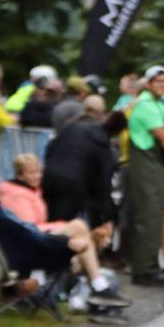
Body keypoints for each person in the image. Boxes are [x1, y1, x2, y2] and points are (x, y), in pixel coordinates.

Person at [0, 159, 130, 309]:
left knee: (81, 249)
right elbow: (28, 229)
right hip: (27, 246)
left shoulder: (31, 190)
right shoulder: (15, 194)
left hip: (36, 240)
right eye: (31, 173)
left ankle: (95, 294)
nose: (37, 176)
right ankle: (99, 288)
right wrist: (62, 226)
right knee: (78, 227)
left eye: (39, 172)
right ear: (19, 174)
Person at [126, 65, 164, 286]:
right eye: (158, 81)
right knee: (148, 217)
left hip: (155, 165)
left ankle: (148, 267)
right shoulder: (147, 106)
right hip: (146, 165)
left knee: (153, 215)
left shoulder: (158, 105)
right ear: (148, 83)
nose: (163, 85)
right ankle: (144, 271)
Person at [43, 97, 118, 228]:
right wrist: (108, 212)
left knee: (51, 222)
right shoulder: (99, 134)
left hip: (50, 177)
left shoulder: (69, 127)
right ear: (101, 113)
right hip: (73, 184)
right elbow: (104, 176)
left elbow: (51, 148)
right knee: (63, 228)